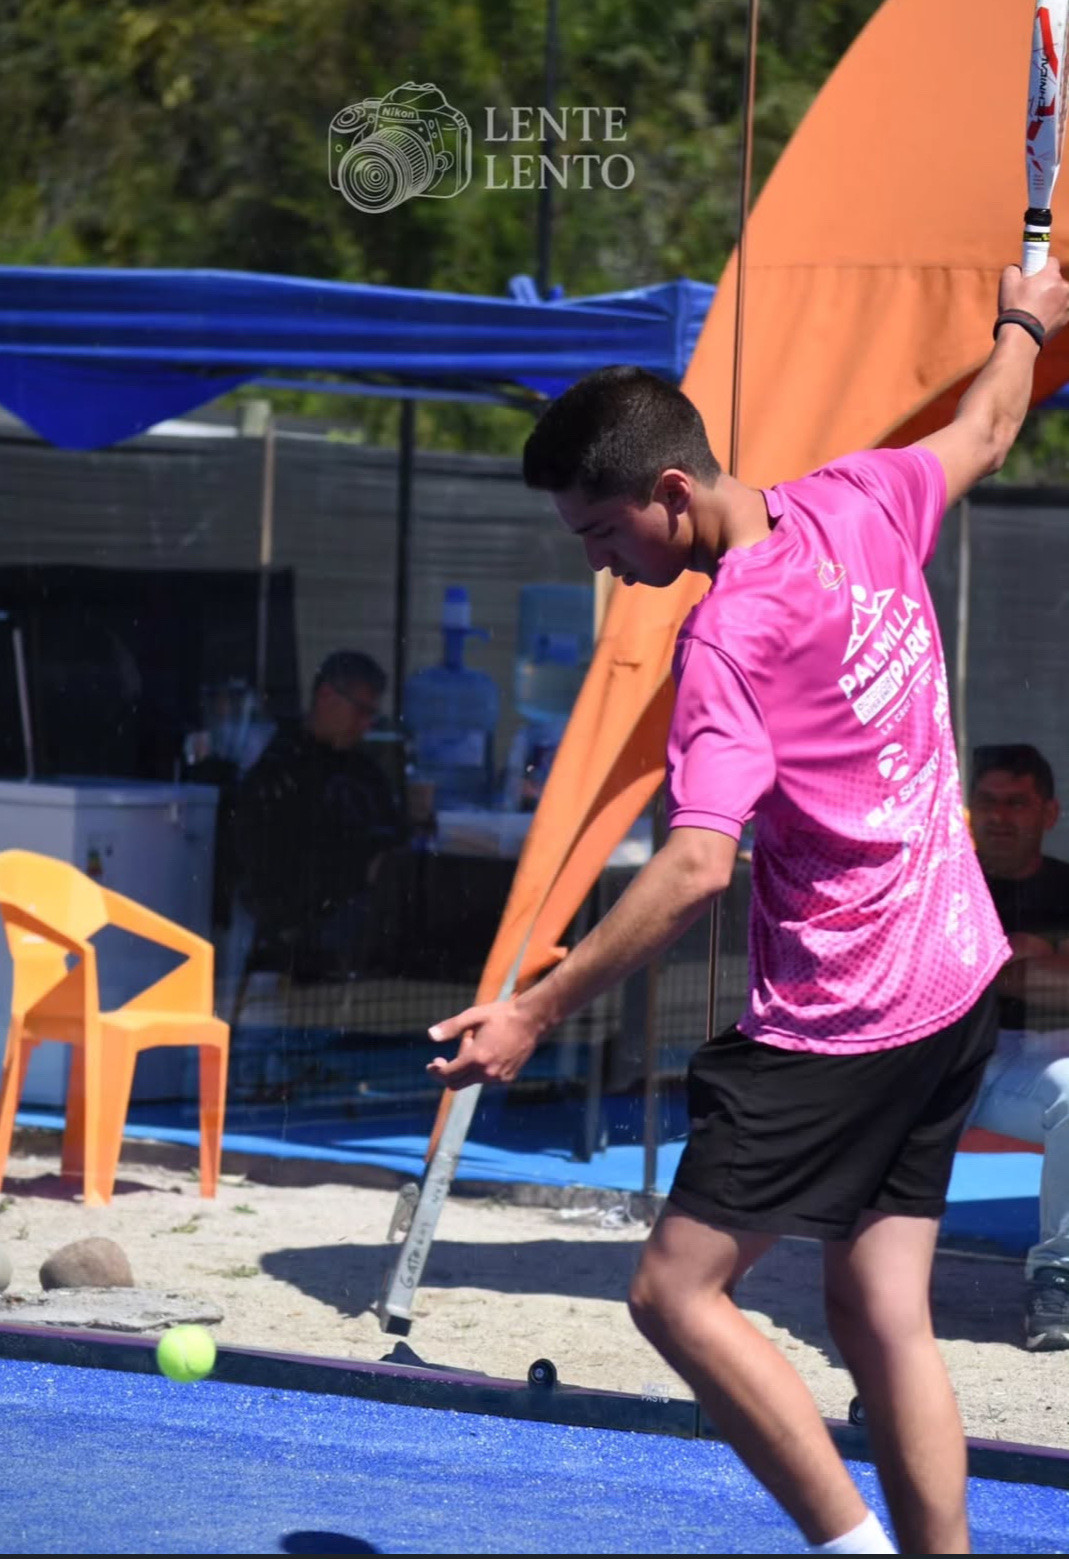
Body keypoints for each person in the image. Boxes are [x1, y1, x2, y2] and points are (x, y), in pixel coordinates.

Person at [426, 257, 1069, 1556]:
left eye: (603, 535)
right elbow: (992, 424)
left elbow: (691, 868)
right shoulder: (861, 495)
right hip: (956, 976)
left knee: (674, 1290)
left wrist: (533, 1011)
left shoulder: (726, 637)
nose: (604, 566)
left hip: (849, 1011)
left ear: (672, 491)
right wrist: (1025, 317)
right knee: (880, 1305)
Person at [966, 743, 1069, 1350]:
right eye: (988, 801)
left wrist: (986, 960)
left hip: (1035, 1057)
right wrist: (1030, 958)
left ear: (1049, 812)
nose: (1001, 816)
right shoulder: (941, 880)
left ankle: (1057, 1278)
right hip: (939, 1053)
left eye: (1018, 803)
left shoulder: (1065, 886)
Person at [232, 650, 407, 983]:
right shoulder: (279, 771)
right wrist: (361, 870)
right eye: (361, 711)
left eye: (371, 715)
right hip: (308, 921)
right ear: (326, 696)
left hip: (364, 913)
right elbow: (274, 867)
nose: (366, 725)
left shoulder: (365, 771)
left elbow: (396, 834)